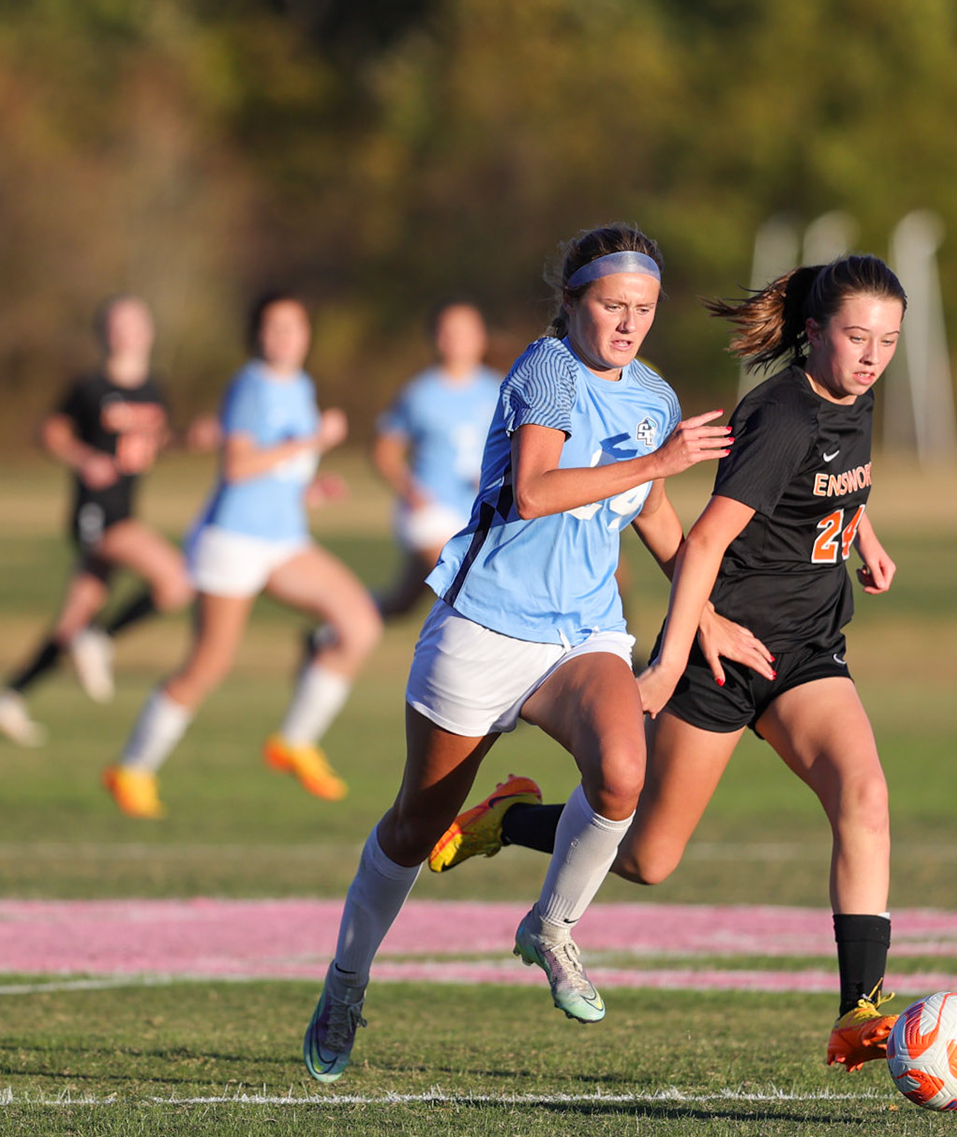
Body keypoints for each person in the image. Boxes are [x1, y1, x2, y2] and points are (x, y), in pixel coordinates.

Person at [428, 254, 905, 1073]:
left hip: (808, 650)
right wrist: (670, 662)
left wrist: (862, 534)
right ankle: (510, 818)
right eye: (857, 338)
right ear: (815, 334)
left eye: (888, 341)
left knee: (864, 797)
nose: (872, 357)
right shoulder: (782, 414)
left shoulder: (852, 397)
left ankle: (858, 1013)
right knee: (648, 857)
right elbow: (705, 544)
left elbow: (831, 484)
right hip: (722, 653)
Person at [300, 223, 747, 1083]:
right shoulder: (547, 370)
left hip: (582, 634)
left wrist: (710, 614)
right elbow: (535, 491)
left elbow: (651, 514)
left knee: (622, 772)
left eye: (643, 309)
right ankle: (347, 980)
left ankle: (551, 927)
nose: (627, 324)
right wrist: (657, 460)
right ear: (573, 302)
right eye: (612, 305)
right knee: (415, 826)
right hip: (484, 630)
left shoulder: (653, 395)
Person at [101, 292, 381, 819]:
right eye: (274, 328)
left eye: (294, 327)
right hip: (231, 541)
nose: (285, 338)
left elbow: (274, 475)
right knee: (209, 664)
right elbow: (238, 467)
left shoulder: (300, 386)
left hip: (282, 540)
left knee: (359, 623)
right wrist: (311, 441)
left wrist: (311, 489)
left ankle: (294, 742)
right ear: (257, 335)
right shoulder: (251, 385)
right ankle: (131, 768)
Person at [0, 296, 195, 747]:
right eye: (117, 325)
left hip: (127, 508)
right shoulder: (90, 388)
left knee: (71, 622)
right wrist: (84, 459)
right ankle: (102, 639)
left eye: (135, 324)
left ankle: (9, 698)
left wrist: (193, 439)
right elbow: (51, 432)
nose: (126, 333)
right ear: (103, 334)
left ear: (150, 332)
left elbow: (156, 443)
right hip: (96, 513)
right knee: (176, 580)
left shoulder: (154, 388)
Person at [371, 301, 503, 621]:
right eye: (448, 332)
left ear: (481, 337)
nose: (456, 339)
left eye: (465, 331)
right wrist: (413, 493)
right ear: (435, 338)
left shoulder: (500, 386)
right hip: (431, 510)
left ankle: (340, 626)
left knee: (404, 601)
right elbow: (383, 452)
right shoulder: (420, 393)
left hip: (479, 510)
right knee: (464, 589)